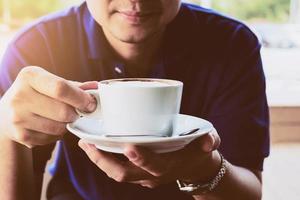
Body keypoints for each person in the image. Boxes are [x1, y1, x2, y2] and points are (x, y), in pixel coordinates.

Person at [0, 0, 269, 199]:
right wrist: (6, 133)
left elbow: (250, 191)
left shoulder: (231, 44)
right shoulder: (35, 46)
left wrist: (204, 169)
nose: (135, 1)